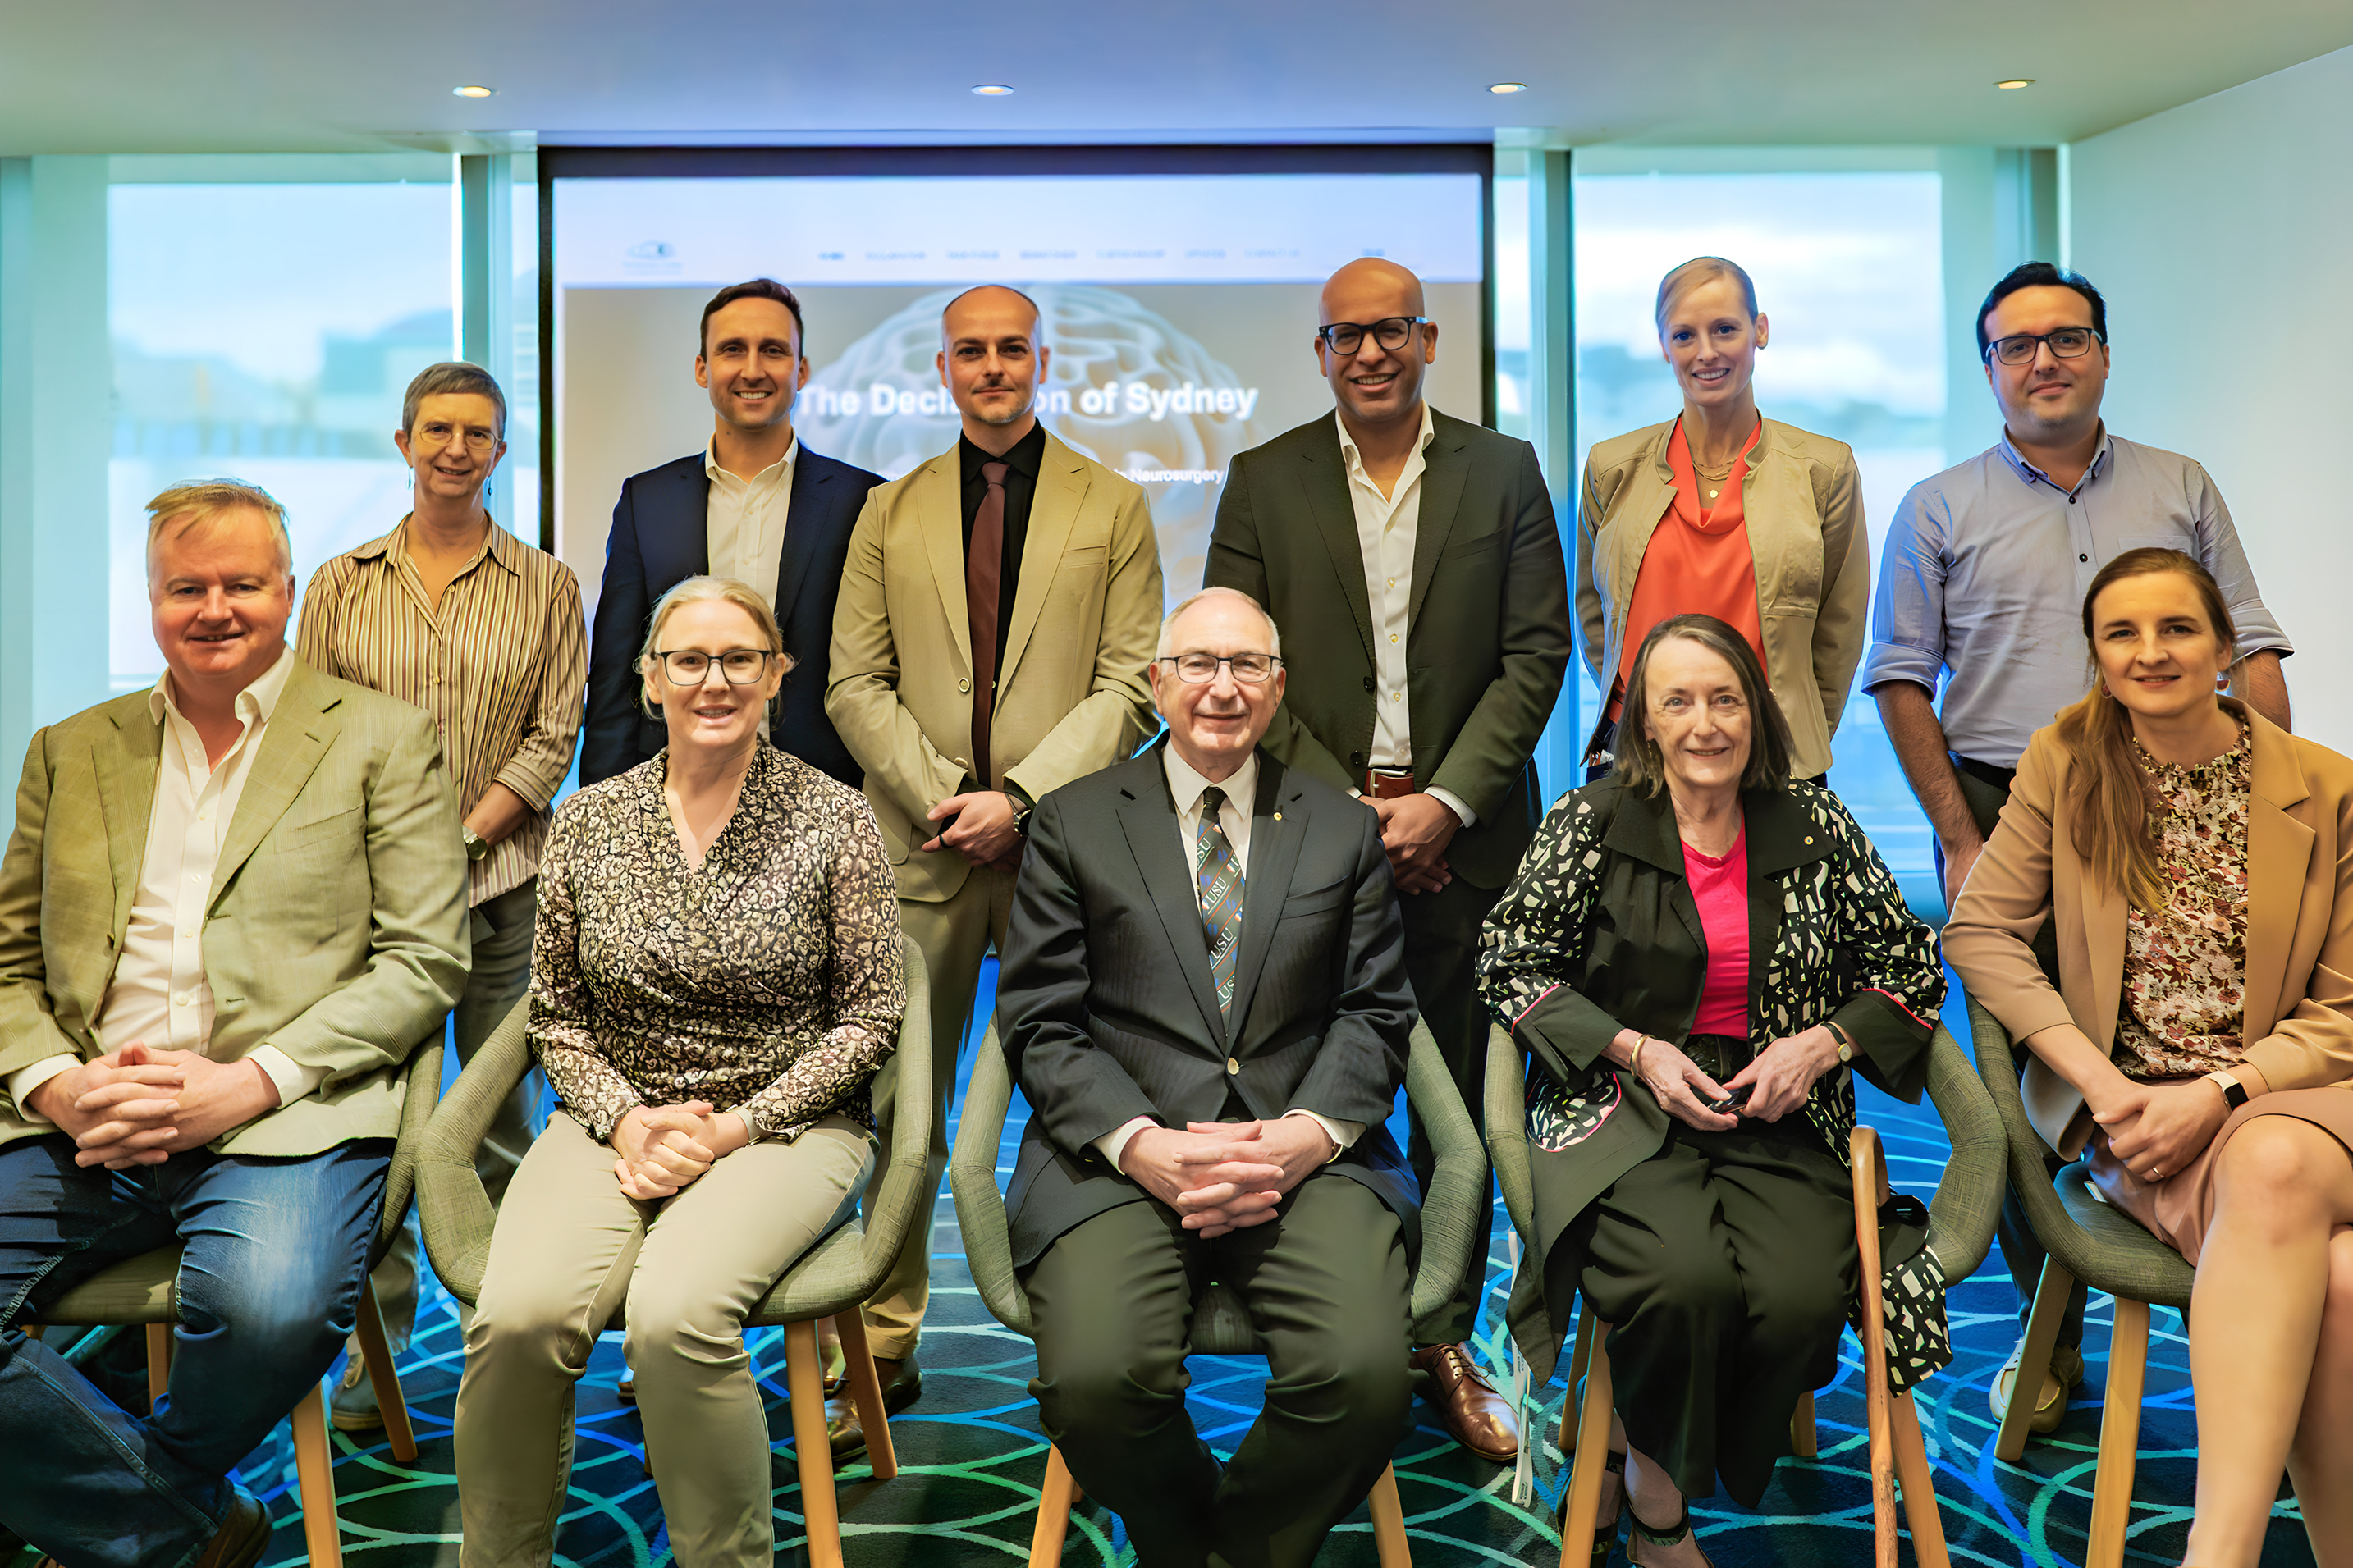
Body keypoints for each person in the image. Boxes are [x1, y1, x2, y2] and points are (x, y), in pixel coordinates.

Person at [0, 482, 468, 1568]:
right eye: (186, 586)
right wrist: (56, 1085)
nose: (214, 606)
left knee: (267, 1312)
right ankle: (189, 1529)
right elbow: (9, 962)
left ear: (289, 592)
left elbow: (425, 957)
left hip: (281, 1115)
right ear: (153, 599)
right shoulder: (70, 749)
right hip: (87, 1121)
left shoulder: (381, 740)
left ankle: (83, 1503)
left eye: (242, 583)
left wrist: (248, 1078)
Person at [1866, 260, 2295, 1429]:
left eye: (2064, 338)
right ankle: (2045, 1323)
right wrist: (1955, 837)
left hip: (2182, 798)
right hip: (2007, 803)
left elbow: (2248, 644)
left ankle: (2234, 1249)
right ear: (1987, 369)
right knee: (2021, 1068)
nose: (2042, 360)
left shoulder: (2180, 482)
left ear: (2102, 352)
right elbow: (1898, 678)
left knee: (2201, 1030)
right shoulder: (1936, 504)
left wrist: (2266, 803)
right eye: (2015, 346)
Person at [452, 575, 904, 1568]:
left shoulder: (835, 819)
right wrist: (622, 1119)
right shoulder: (586, 821)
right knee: (519, 1320)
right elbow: (556, 1014)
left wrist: (733, 1128)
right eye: (688, 660)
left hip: (787, 1122)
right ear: (649, 680)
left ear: (776, 675)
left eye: (739, 658)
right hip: (614, 1116)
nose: (714, 680)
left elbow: (870, 1016)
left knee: (675, 1319)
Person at [1479, 613, 1944, 1567]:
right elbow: (1507, 959)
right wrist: (1633, 1049)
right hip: (1626, 1108)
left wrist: (1821, 1046)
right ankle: (1658, 1503)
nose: (1704, 722)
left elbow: (1910, 963)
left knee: (1798, 1298)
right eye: (1676, 701)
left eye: (1724, 698)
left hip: (1776, 1108)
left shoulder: (1813, 822)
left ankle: (1624, 1452)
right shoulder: (1590, 820)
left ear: (1755, 711)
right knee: (1679, 1283)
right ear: (1643, 722)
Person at [1204, 257, 1568, 1461]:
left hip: (1472, 841)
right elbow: (1239, 659)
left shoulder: (1503, 468)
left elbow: (1534, 652)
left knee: (1460, 1097)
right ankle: (1333, 1313)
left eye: (1391, 331)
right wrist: (1351, 809)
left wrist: (1446, 802)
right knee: (1317, 1079)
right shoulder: (1263, 479)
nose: (1368, 352)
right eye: (1344, 335)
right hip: (1308, 834)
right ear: (1319, 351)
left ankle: (1442, 1336)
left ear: (1426, 340)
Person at [1944, 549, 2353, 1568]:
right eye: (2120, 632)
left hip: (2302, 1097)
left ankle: (2219, 1552)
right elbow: (1979, 934)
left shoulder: (2328, 787)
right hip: (2137, 1118)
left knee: (2271, 1157)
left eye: (2175, 628)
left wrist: (2225, 1089)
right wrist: (2100, 1082)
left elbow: (2345, 1009)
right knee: (2337, 1281)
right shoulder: (2064, 764)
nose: (2149, 651)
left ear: (2224, 647)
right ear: (2094, 653)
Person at [997, 586, 1421, 1568]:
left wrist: (1302, 1136)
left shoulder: (1341, 828)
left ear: (1277, 690)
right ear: (1157, 683)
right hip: (1119, 1158)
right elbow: (1040, 1022)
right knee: (1094, 1384)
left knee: (1364, 1381)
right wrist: (1141, 1145)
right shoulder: (1071, 822)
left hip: (1302, 1157)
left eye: (1245, 669)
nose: (1220, 689)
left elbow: (1374, 1013)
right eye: (1198, 665)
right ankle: (1192, 1538)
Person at [825, 283, 1162, 1453]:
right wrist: (940, 798)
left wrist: (1017, 800)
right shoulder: (890, 509)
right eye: (970, 351)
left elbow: (1128, 684)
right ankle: (883, 1328)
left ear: (1040, 359)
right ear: (943, 368)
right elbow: (850, 680)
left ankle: (1088, 1321)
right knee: (896, 1105)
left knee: (1086, 1091)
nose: (990, 367)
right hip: (917, 848)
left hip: (1063, 850)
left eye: (1009, 348)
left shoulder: (1112, 503)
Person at [297, 360, 586, 1428]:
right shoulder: (338, 582)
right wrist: (391, 849)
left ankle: (506, 1331)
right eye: (437, 428)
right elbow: (309, 728)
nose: (455, 446)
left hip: (507, 887)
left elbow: (554, 735)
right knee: (374, 1120)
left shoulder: (546, 585)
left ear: (501, 450)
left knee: (499, 1114)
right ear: (404, 441)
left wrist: (459, 835)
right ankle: (375, 1349)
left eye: (477, 431)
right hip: (365, 900)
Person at [1577, 256, 1868, 787]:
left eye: (1724, 329)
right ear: (1664, 345)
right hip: (1638, 755)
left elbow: (1839, 630)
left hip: (1774, 758)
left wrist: (1794, 737)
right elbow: (1595, 615)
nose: (1705, 352)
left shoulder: (1824, 469)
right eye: (1684, 335)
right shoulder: (1610, 466)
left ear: (1759, 330)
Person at [583, 278, 885, 789]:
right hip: (670, 791)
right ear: (703, 369)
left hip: (823, 794)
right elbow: (617, 672)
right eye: (731, 350)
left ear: (802, 370)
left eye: (773, 350)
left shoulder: (864, 499)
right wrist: (602, 805)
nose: (752, 369)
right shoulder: (646, 500)